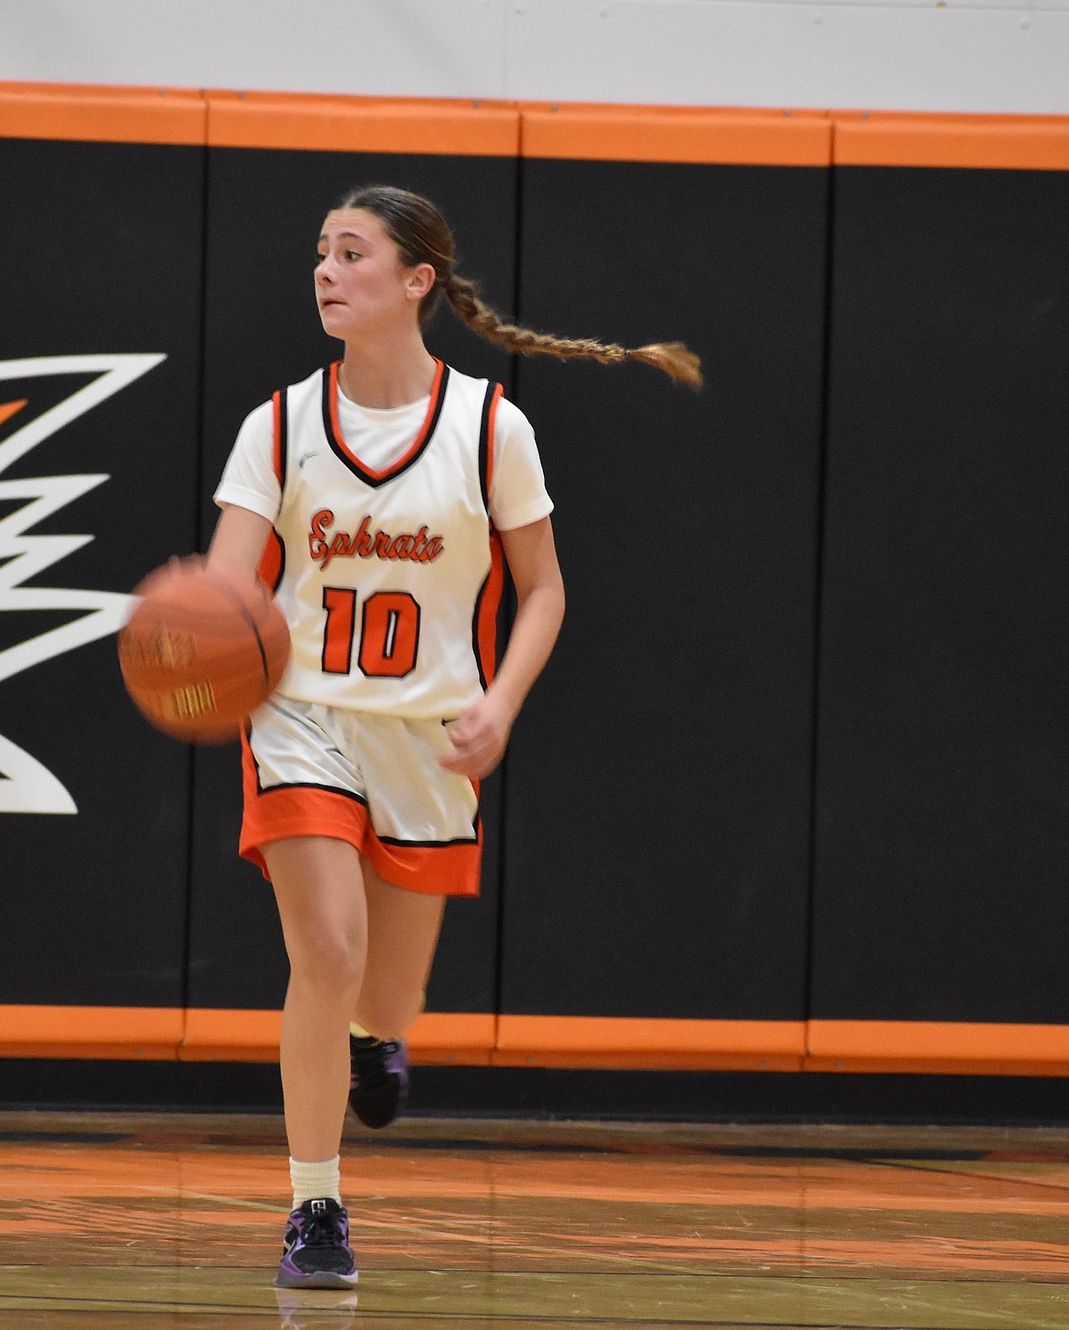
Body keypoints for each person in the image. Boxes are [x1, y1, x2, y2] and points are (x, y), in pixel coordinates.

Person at [205, 184, 702, 1289]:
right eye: (319, 253)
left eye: (351, 253)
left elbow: (546, 593)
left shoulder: (490, 426)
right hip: (304, 720)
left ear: (417, 280)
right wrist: (198, 638)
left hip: (430, 734)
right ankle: (315, 1207)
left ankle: (377, 1046)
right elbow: (228, 586)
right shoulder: (279, 424)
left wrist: (502, 701)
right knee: (325, 952)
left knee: (383, 1005)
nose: (326, 272)